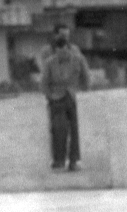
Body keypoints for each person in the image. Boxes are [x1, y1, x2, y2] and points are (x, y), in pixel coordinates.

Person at [39, 26, 91, 171]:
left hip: (72, 97)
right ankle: (59, 160)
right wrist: (51, 97)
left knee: (75, 131)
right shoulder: (49, 61)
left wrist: (84, 91)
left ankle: (73, 161)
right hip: (56, 99)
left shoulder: (77, 58)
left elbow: (86, 77)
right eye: (58, 51)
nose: (61, 54)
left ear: (67, 48)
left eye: (64, 50)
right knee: (58, 130)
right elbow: (43, 83)